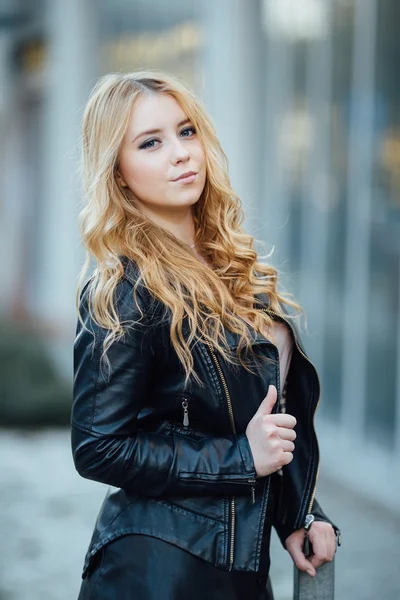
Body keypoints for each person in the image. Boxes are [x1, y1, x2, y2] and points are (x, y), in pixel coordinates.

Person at [71, 70, 341, 600]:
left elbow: (256, 417)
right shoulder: (127, 289)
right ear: (119, 173)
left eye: (186, 131)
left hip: (237, 565)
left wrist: (296, 513)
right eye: (151, 142)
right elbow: (97, 446)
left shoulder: (229, 266)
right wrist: (242, 459)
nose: (179, 153)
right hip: (159, 571)